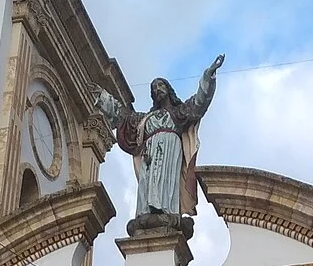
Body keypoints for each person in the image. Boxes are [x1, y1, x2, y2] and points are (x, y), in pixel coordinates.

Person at [95, 56, 225, 230]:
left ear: (168, 89)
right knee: (149, 181)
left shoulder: (179, 112)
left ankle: (168, 211)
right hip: (150, 153)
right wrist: (102, 97)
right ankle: (145, 212)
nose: (158, 89)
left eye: (161, 85)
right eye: (154, 88)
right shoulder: (145, 119)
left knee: (166, 181)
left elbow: (199, 103)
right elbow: (122, 114)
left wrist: (208, 76)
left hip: (171, 151)